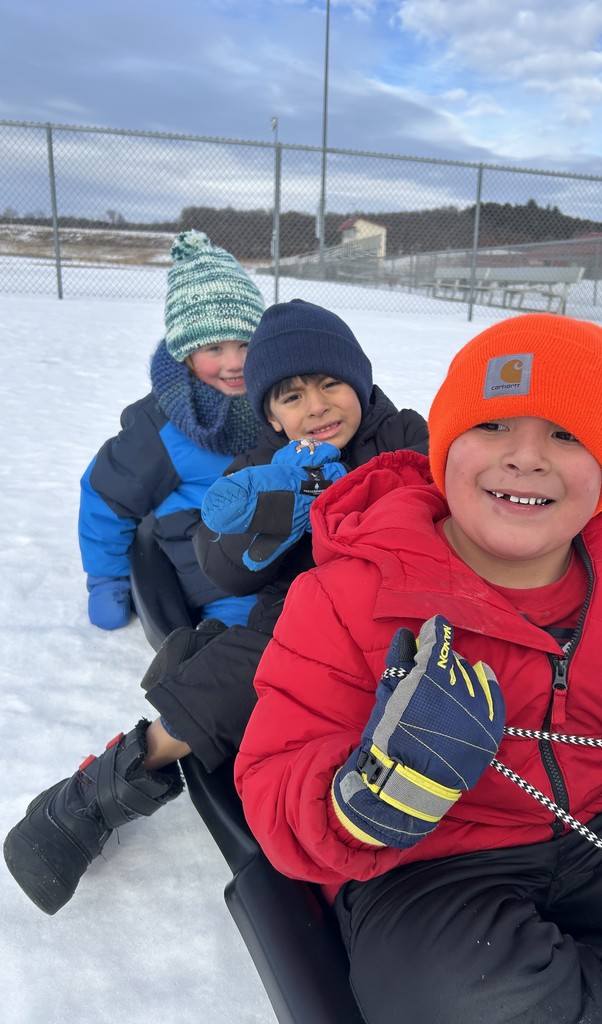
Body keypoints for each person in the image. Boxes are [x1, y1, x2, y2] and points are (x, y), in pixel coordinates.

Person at [234, 312, 602, 1024]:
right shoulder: (344, 598)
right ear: (445, 447)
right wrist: (362, 799)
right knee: (462, 994)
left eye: (566, 434)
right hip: (436, 865)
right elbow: (274, 776)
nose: (526, 457)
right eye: (492, 427)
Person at [3, 298, 428, 917]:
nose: (315, 406)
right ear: (273, 417)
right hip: (310, 614)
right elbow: (221, 560)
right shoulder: (264, 464)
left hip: (413, 610)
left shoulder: (405, 436)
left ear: (358, 382)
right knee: (255, 666)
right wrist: (286, 500)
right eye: (291, 397)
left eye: (330, 384)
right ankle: (100, 790)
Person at [78, 228, 265, 631]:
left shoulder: (277, 400)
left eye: (245, 345)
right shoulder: (160, 427)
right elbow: (107, 497)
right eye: (215, 349)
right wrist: (105, 578)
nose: (234, 362)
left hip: (276, 541)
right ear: (185, 353)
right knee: (248, 633)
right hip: (210, 561)